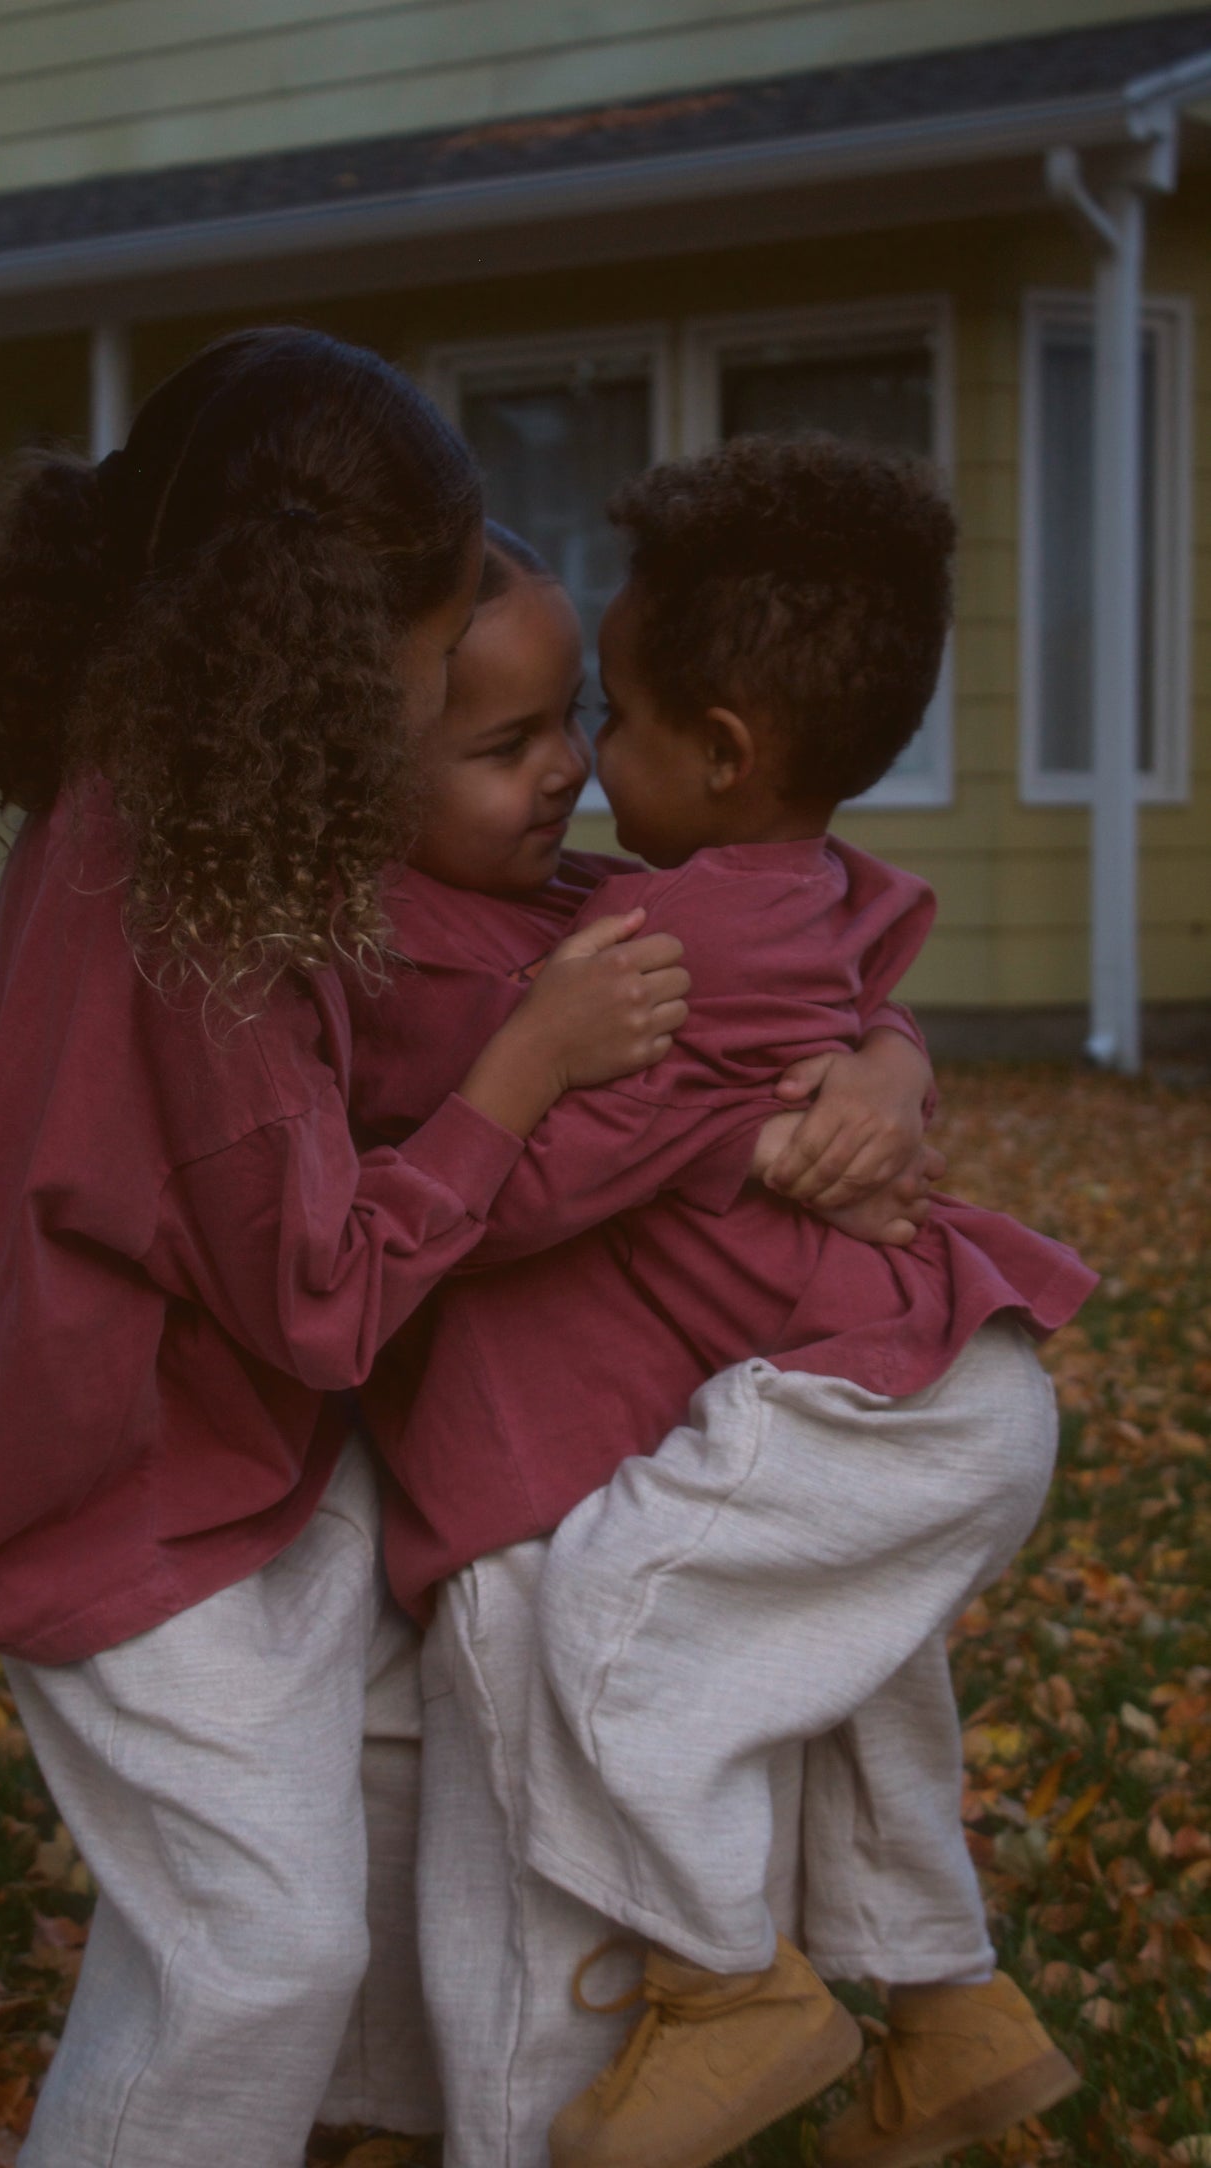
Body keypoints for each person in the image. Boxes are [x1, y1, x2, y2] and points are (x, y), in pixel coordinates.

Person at [0, 327, 695, 2168]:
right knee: (257, 1954)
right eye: (437, 670)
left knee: (414, 1774)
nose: (450, 698)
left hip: (230, 1434)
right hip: (107, 1476)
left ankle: (377, 2129)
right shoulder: (192, 912)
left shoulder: (188, 786)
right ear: (328, 661)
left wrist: (852, 1026)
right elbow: (323, 1292)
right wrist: (522, 1073)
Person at [344, 453, 1093, 2168]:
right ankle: (943, 2005)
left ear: (726, 749)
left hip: (865, 1393)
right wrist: (878, 1056)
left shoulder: (661, 952)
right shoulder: (757, 892)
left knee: (612, 1636)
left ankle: (721, 1982)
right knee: (851, 1675)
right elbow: (876, 938)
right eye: (520, 738)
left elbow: (519, 1192)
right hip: (923, 1368)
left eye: (603, 720)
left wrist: (516, 1079)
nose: (581, 768)